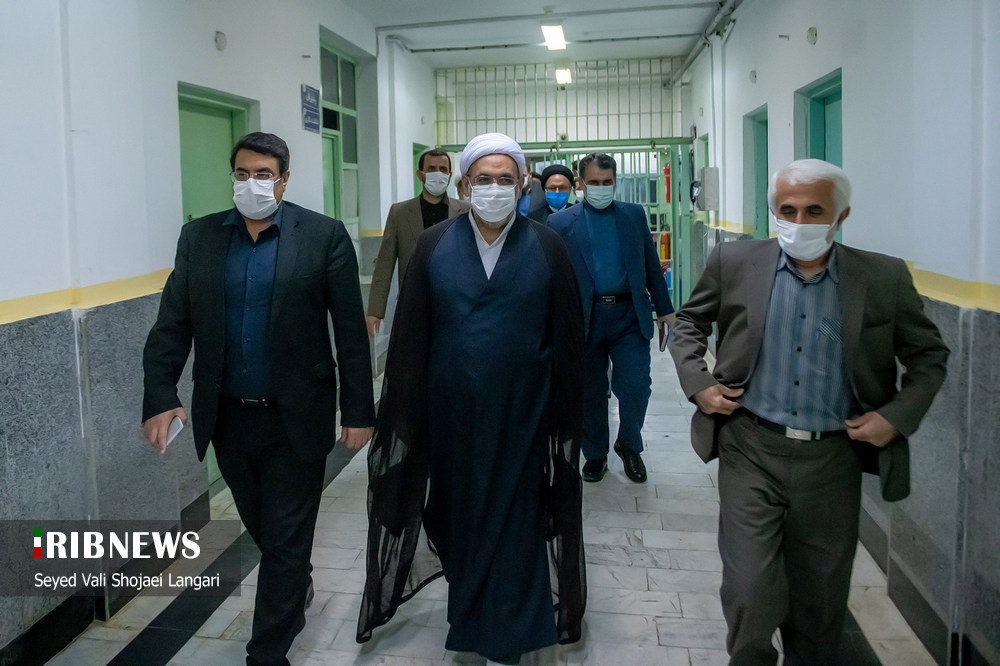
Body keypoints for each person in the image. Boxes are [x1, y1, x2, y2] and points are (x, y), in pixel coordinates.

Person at [668, 159, 949, 663]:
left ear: (841, 215)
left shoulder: (881, 276)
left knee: (819, 602)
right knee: (750, 588)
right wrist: (699, 384)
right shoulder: (736, 262)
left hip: (833, 461)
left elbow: (928, 356)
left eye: (814, 211)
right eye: (787, 210)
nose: (799, 222)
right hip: (751, 448)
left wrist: (895, 416)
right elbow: (689, 321)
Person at [142, 132, 375, 666]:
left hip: (298, 416)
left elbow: (348, 331)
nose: (252, 183)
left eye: (264, 174)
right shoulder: (199, 238)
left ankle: (266, 654)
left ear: (284, 180)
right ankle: (295, 581)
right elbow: (172, 324)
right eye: (243, 174)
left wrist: (359, 410)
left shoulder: (323, 236)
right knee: (266, 529)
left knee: (286, 538)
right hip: (228, 419)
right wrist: (160, 394)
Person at [358, 132, 586, 665]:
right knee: (457, 517)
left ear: (523, 184)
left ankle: (509, 635)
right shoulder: (434, 245)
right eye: (484, 179)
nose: (494, 189)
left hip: (523, 416)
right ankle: (471, 613)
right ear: (465, 185)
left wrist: (566, 417)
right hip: (451, 420)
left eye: (506, 179)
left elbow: (567, 338)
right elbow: (411, 337)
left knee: (516, 522)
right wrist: (405, 416)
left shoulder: (547, 247)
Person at [549, 153, 675, 484]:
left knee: (636, 386)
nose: (601, 188)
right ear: (581, 183)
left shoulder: (633, 215)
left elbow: (650, 263)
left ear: (615, 181)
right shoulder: (560, 223)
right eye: (594, 182)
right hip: (585, 319)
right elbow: (554, 277)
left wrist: (665, 308)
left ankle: (629, 444)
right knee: (590, 391)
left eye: (607, 182)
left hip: (628, 316)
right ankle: (595, 454)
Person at [366, 149, 470, 337]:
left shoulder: (465, 211)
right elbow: (384, 264)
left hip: (457, 304)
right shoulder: (399, 213)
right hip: (413, 304)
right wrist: (375, 310)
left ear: (449, 175)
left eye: (443, 169)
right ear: (420, 174)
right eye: (431, 168)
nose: (437, 173)